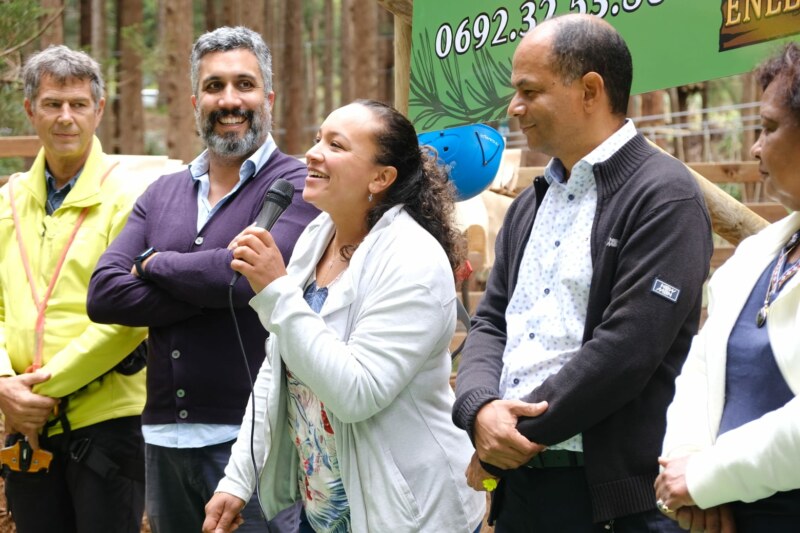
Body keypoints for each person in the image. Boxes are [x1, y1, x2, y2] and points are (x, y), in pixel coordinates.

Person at [452, 14, 714, 532]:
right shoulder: (533, 203)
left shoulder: (664, 196)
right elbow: (491, 322)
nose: (514, 107)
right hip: (522, 494)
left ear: (590, 90)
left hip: (615, 503)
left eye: (529, 90)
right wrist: (479, 411)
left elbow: (627, 351)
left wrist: (510, 438)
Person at [202, 99, 486, 533]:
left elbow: (357, 393)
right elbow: (278, 370)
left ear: (380, 177)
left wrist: (277, 292)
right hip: (326, 513)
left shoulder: (412, 259)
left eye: (336, 145)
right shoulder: (318, 234)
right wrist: (238, 478)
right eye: (318, 139)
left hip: (407, 513)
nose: (313, 152)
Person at [87, 27, 319, 533]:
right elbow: (103, 293)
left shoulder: (297, 184)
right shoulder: (162, 191)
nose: (230, 100)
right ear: (195, 100)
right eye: (214, 87)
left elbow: (248, 281)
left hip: (257, 442)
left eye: (244, 84)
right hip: (162, 439)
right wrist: (214, 285)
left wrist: (152, 264)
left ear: (269, 98)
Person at [0, 45, 149, 533]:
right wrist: (5, 386)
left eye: (78, 104)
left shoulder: (130, 200)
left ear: (98, 110)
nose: (66, 118)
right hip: (26, 427)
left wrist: (38, 392)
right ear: (30, 110)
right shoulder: (7, 200)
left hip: (105, 424)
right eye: (52, 104)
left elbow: (132, 317)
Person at [656, 42, 800, 532]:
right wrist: (686, 471)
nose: (755, 147)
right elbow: (698, 373)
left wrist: (708, 476)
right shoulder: (758, 255)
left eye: (769, 127)